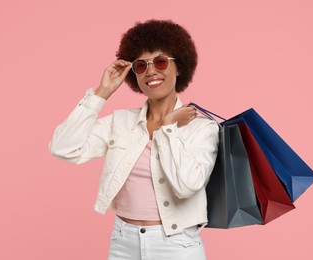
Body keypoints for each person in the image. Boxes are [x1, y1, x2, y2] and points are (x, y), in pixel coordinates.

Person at [49, 19, 219, 260]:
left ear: (179, 66)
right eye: (141, 65)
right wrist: (101, 93)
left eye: (160, 61)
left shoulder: (202, 128)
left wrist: (168, 127)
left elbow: (187, 186)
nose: (151, 71)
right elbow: (63, 148)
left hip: (177, 246)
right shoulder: (121, 122)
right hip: (123, 243)